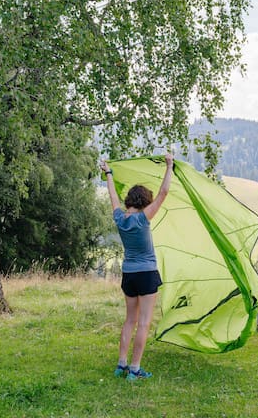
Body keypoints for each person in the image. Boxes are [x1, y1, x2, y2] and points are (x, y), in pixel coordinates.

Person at [100, 153, 174, 381]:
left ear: (130, 200)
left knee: (129, 320)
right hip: (147, 274)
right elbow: (164, 193)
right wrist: (169, 165)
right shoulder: (143, 219)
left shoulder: (120, 219)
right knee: (144, 322)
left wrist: (108, 174)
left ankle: (121, 364)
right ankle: (134, 369)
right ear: (145, 202)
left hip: (129, 275)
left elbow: (112, 196)